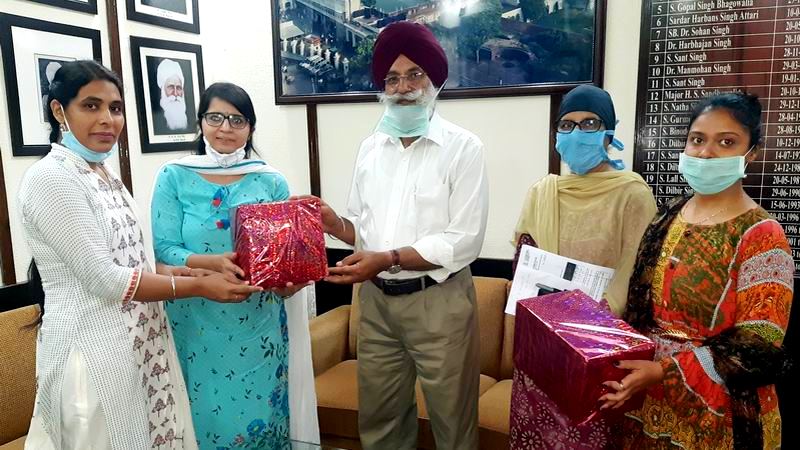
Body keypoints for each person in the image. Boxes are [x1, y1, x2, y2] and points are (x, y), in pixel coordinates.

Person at [19, 60, 261, 450]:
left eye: (115, 108)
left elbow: (134, 263)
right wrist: (199, 286)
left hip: (140, 343)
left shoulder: (103, 174)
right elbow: (105, 279)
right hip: (93, 351)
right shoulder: (52, 178)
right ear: (59, 110)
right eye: (91, 106)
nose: (107, 119)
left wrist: (196, 270)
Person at [296, 20, 489, 450]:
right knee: (380, 421)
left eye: (414, 74)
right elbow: (363, 231)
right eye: (392, 78)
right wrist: (333, 223)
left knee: (453, 424)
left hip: (439, 303)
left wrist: (389, 258)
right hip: (375, 303)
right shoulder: (371, 148)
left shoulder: (464, 147)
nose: (403, 87)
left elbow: (464, 240)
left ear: (434, 79)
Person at [601, 92, 794, 449]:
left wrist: (663, 371)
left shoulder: (762, 235)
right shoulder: (667, 215)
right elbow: (640, 306)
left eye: (726, 142)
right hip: (645, 396)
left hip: (720, 409)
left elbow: (759, 344)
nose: (706, 153)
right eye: (697, 139)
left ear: (752, 153)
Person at [151, 82, 319, 449]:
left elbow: (282, 253)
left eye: (237, 120)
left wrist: (290, 278)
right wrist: (209, 263)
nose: (225, 128)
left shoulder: (270, 180)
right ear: (200, 122)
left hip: (258, 317)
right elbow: (164, 249)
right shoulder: (174, 175)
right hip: (197, 317)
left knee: (261, 414)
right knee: (206, 416)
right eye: (215, 117)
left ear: (250, 127)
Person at [514, 84, 657, 316]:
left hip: (605, 325)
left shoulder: (632, 194)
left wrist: (594, 316)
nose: (576, 134)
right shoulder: (542, 193)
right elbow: (525, 265)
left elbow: (635, 271)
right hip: (544, 319)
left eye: (590, 123)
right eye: (566, 125)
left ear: (609, 133)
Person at [154, 58, 190, 134]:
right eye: (171, 87)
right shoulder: (156, 121)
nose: (175, 93)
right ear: (163, 91)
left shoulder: (191, 121)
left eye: (179, 88)